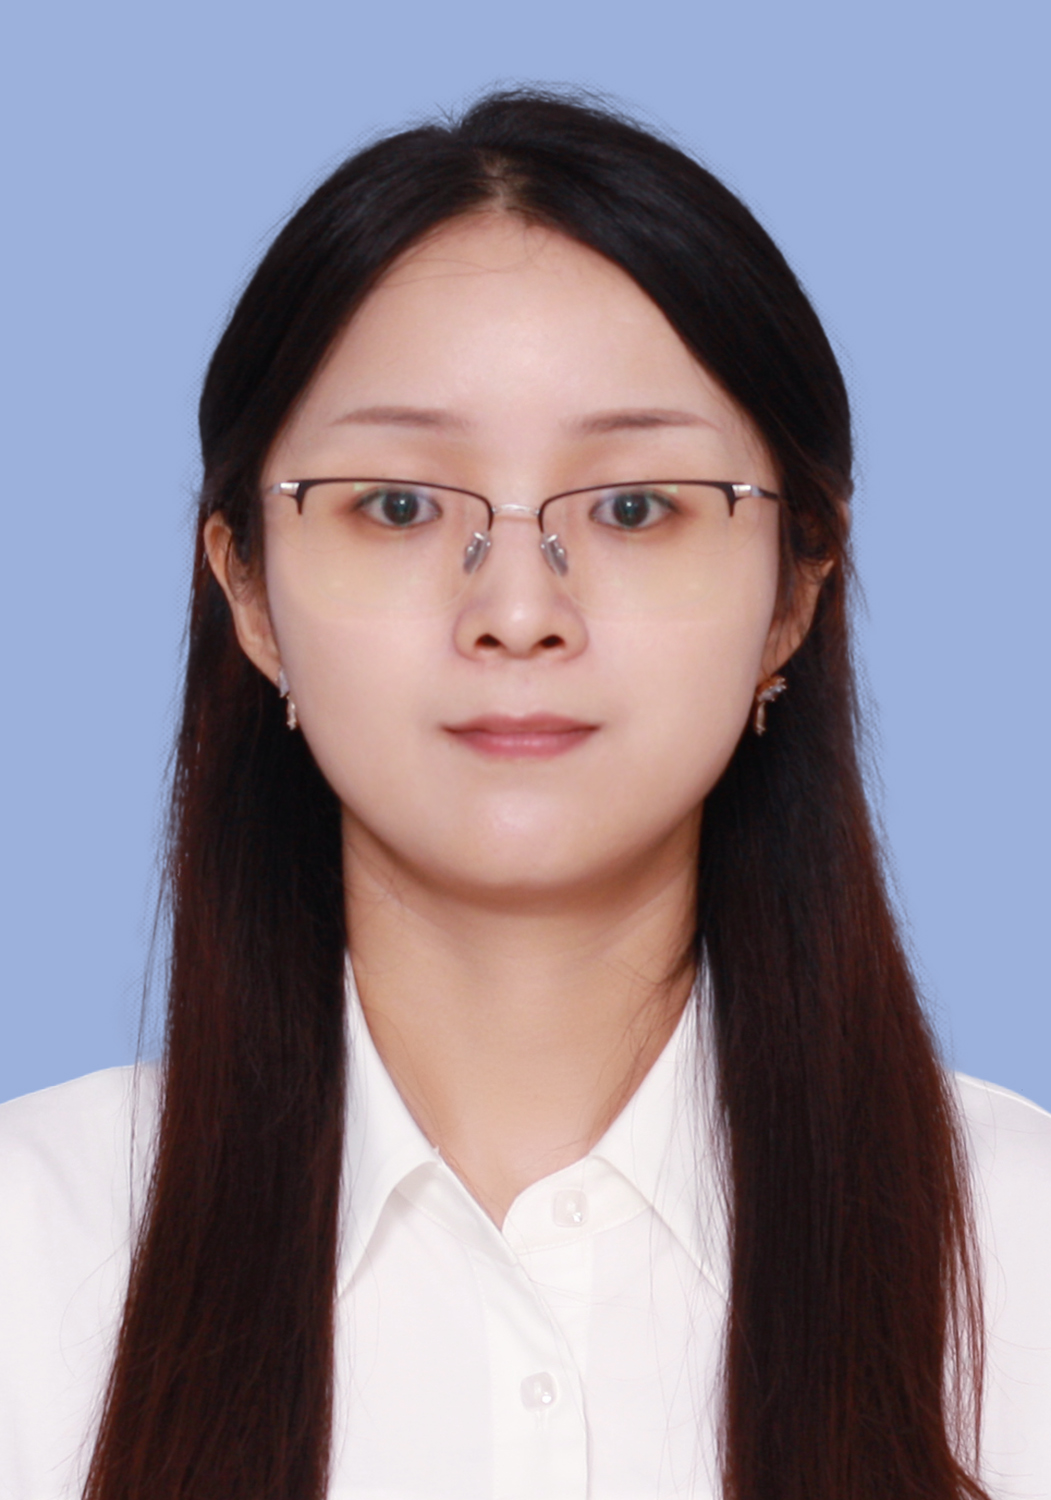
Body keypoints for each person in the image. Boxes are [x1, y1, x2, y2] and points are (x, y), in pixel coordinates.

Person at [0, 89, 1048, 1500]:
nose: (515, 612)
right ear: (247, 588)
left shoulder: (1025, 1256)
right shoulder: (32, 1258)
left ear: (796, 590)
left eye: (632, 507)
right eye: (398, 504)